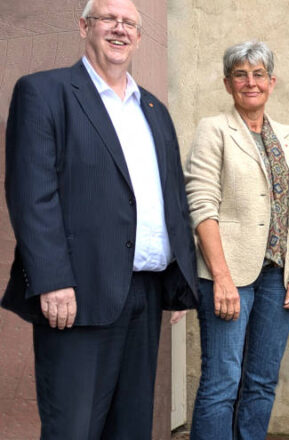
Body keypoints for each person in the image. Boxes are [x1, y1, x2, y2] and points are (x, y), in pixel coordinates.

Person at [1, 0, 198, 437]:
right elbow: (32, 194)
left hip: (145, 292)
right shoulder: (44, 92)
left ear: (140, 38)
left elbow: (172, 198)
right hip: (78, 293)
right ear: (84, 26)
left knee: (130, 427)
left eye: (129, 23)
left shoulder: (153, 110)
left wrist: (178, 277)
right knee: (73, 426)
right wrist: (51, 279)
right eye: (108, 19)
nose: (119, 29)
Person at [184, 40, 289, 440]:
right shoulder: (214, 129)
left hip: (278, 277)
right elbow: (202, 206)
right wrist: (221, 277)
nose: (250, 82)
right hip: (229, 277)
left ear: (271, 82)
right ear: (228, 84)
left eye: (258, 74)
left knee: (262, 380)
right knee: (222, 381)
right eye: (240, 75)